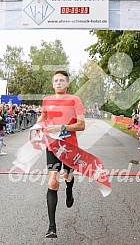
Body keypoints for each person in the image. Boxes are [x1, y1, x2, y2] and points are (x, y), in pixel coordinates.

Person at [37, 70, 85, 238]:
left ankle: (70, 189)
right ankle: (52, 227)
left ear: (67, 84)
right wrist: (38, 126)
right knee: (52, 183)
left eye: (61, 80)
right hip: (52, 146)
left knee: (68, 176)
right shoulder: (47, 100)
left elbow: (81, 125)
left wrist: (62, 127)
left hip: (70, 147)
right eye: (56, 80)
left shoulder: (75, 100)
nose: (58, 83)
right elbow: (42, 118)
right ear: (52, 84)